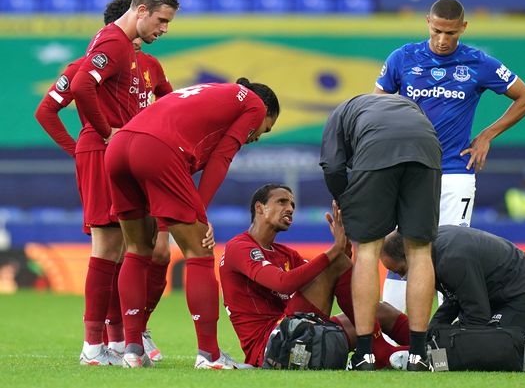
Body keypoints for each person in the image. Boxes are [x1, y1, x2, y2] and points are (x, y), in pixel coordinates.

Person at [374, 0, 525, 312]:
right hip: (409, 170)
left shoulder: (479, 63)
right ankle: (394, 338)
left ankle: (443, 336)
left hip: (455, 173)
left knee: (450, 252)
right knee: (400, 249)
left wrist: (487, 135)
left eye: (451, 33)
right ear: (427, 22)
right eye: (437, 31)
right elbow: (375, 105)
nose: (443, 39)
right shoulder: (402, 58)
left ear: (463, 27)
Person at [34, 0, 173, 364]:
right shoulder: (101, 53)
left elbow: (169, 103)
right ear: (135, 19)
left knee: (134, 249)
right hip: (103, 153)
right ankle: (100, 344)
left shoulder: (145, 65)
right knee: (112, 247)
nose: (160, 32)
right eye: (159, 23)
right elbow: (47, 110)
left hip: (126, 156)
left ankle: (122, 337)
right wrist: (86, 146)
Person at [105, 78, 280, 368]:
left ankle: (132, 350)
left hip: (120, 147)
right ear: (265, 112)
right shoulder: (253, 104)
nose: (259, 135)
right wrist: (202, 213)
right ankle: (209, 355)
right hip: (157, 149)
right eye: (266, 128)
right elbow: (221, 159)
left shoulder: (213, 92)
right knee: (199, 251)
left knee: (137, 249)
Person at [219, 184, 410, 369]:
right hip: (271, 346)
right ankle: (380, 351)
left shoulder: (286, 254)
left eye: (292, 204)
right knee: (336, 263)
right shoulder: (239, 247)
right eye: (282, 202)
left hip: (300, 331)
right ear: (260, 208)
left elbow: (324, 277)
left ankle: (428, 346)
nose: (290, 208)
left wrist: (343, 252)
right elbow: (282, 283)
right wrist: (334, 254)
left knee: (381, 311)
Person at [320, 94, 442, 371]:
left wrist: (344, 199)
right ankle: (419, 355)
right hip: (426, 148)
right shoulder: (408, 106)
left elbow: (333, 166)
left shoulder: (340, 113)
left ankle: (365, 354)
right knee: (420, 251)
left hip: (376, 150)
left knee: (367, 250)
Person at [381, 225, 525, 371]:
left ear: (409, 254)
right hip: (503, 297)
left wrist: (448, 344)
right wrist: (432, 334)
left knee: (473, 345)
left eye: (402, 271)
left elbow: (477, 316)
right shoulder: (433, 247)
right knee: (451, 338)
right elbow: (454, 299)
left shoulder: (452, 259)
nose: (404, 279)